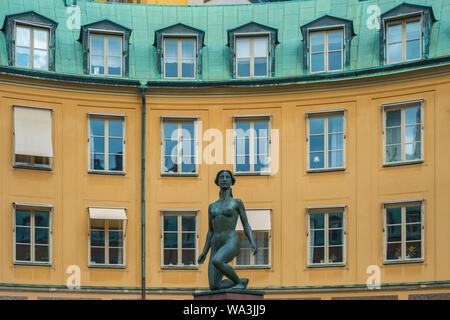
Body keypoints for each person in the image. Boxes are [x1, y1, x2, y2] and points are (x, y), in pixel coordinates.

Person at [197, 169, 257, 290]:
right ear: (217, 182)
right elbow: (210, 231)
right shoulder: (212, 206)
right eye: (221, 177)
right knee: (215, 286)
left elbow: (246, 224)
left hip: (230, 240)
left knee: (217, 261)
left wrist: (252, 241)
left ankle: (238, 283)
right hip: (215, 243)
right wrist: (204, 251)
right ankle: (241, 281)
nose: (224, 179)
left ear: (231, 181)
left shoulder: (237, 202)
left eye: (227, 177)